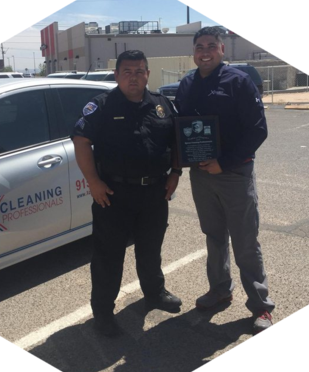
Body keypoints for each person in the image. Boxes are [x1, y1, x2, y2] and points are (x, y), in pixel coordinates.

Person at [72, 50, 182, 337]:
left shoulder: (161, 105)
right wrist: (93, 182)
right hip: (113, 194)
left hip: (155, 193)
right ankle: (103, 313)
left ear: (147, 74)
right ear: (117, 75)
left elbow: (177, 141)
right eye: (127, 72)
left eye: (139, 71)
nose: (134, 77)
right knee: (108, 257)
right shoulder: (102, 105)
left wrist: (175, 173)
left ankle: (155, 293)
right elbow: (82, 141)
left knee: (150, 249)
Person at [174, 27, 275, 335]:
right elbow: (180, 129)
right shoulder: (187, 84)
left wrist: (224, 163)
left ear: (221, 50)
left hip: (233, 174)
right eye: (199, 46)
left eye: (211, 46)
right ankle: (220, 290)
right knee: (214, 236)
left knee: (245, 240)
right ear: (194, 52)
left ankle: (261, 306)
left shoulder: (239, 82)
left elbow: (258, 130)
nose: (205, 51)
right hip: (201, 176)